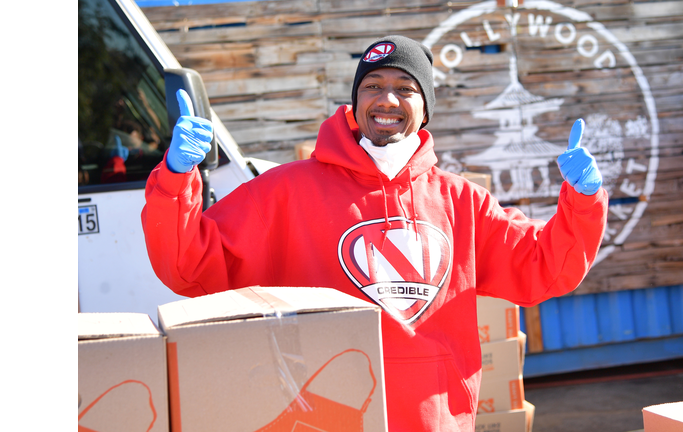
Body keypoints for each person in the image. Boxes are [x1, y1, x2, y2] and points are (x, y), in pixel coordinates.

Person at [142, 35, 608, 431]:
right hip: (324, 416)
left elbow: (544, 267)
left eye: (405, 88)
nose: (387, 99)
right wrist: (177, 177)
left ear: (424, 108)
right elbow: (189, 266)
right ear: (354, 102)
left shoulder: (463, 202)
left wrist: (583, 202)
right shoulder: (283, 191)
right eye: (372, 87)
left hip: (435, 420)